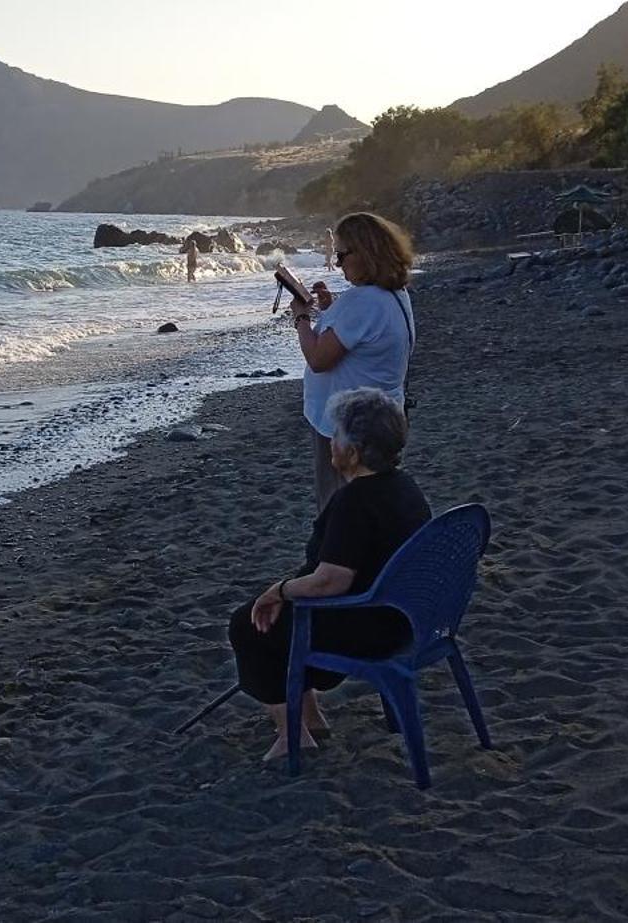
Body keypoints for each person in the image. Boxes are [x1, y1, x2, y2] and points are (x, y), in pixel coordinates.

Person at [227, 388, 431, 761]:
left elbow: (331, 581)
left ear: (353, 452)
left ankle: (293, 733)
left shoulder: (355, 501)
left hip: (368, 623)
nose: (330, 443)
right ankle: (311, 717)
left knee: (248, 624)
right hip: (405, 614)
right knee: (280, 615)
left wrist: (280, 590)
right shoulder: (405, 487)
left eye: (335, 436)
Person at [287, 212, 417, 511]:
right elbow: (362, 340)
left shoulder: (363, 302)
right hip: (380, 417)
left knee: (338, 507)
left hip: (347, 425)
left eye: (342, 254)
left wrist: (302, 317)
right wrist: (332, 308)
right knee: (370, 504)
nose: (337, 263)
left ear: (366, 253)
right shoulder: (394, 294)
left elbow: (319, 359)